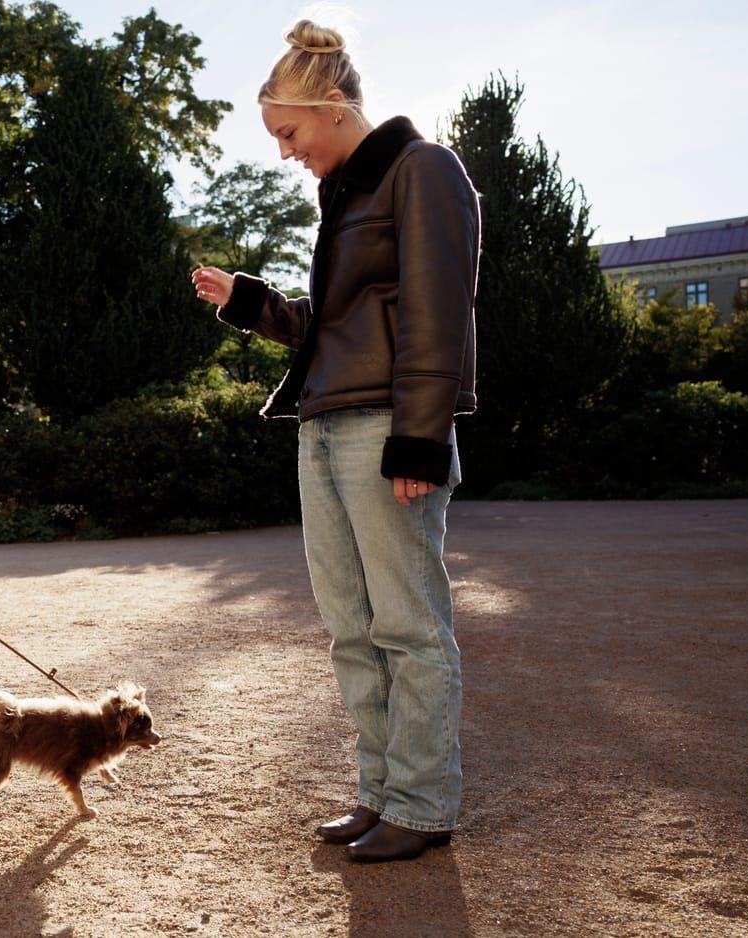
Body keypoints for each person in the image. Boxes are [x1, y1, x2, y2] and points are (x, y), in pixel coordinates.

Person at [192, 19, 480, 862]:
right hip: (323, 425)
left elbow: (437, 311)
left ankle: (423, 806)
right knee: (351, 630)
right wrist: (249, 304)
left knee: (409, 627)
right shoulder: (347, 197)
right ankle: (380, 794)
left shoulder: (424, 169)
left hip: (387, 430)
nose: (283, 151)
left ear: (331, 105)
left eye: (287, 132)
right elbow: (343, 329)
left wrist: (421, 439)